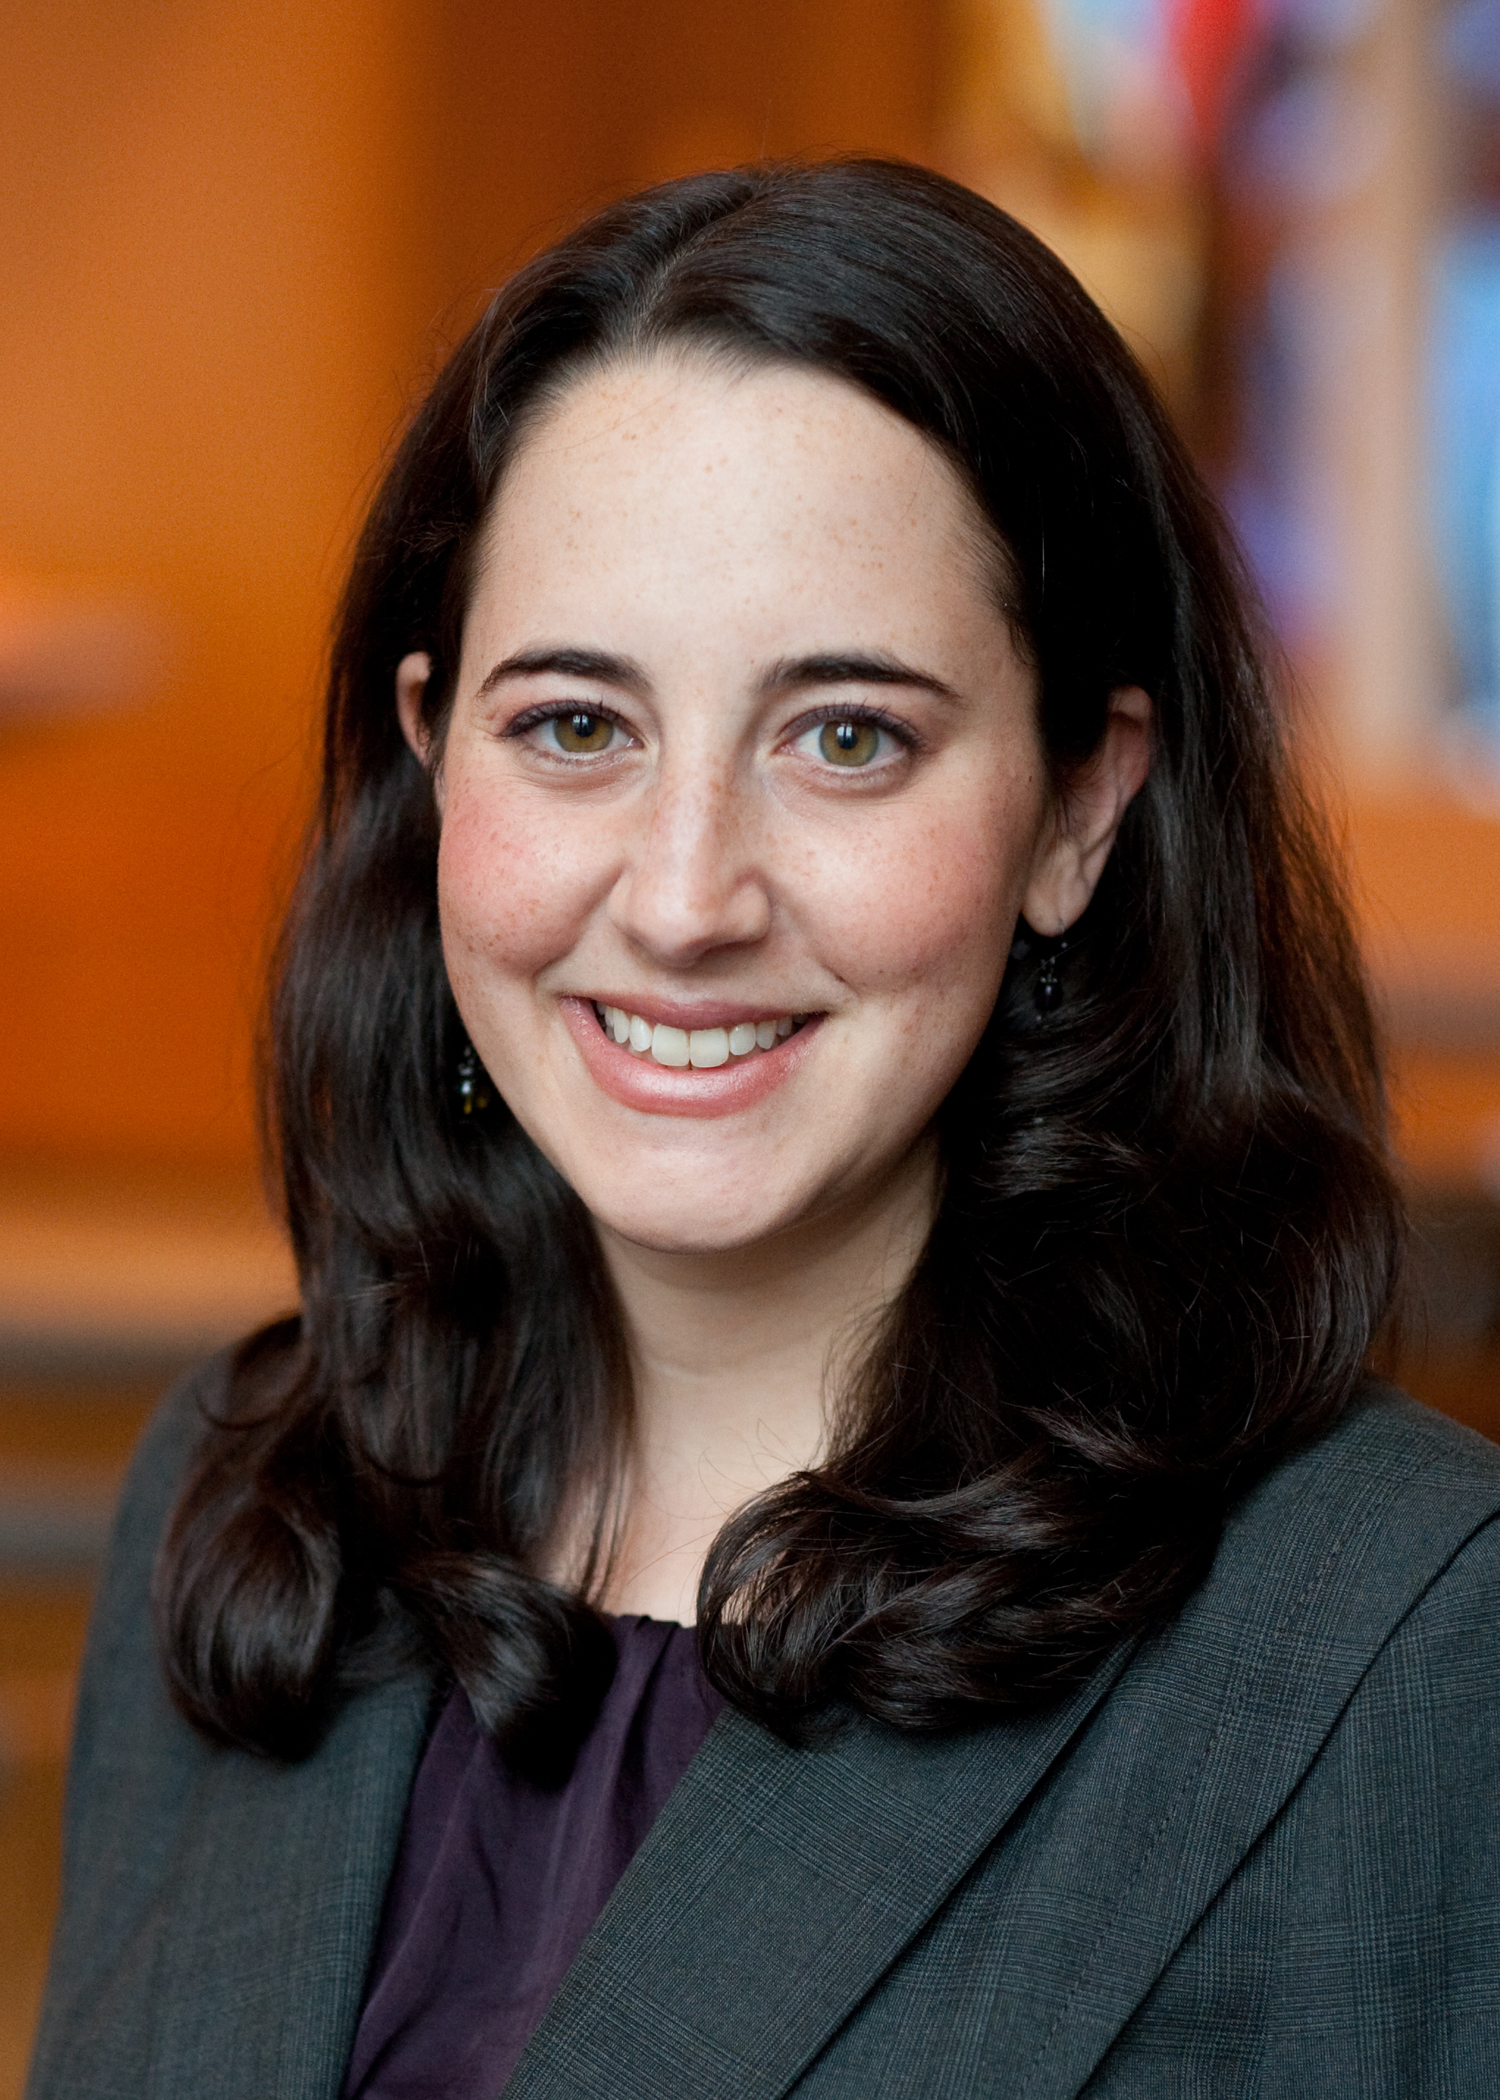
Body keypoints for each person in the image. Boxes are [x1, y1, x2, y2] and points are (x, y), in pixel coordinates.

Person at [28, 159, 1500, 2100]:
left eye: (847, 736)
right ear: (428, 752)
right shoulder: (246, 1508)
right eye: (575, 726)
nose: (687, 895)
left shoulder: (1391, 1640)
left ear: (1079, 808)